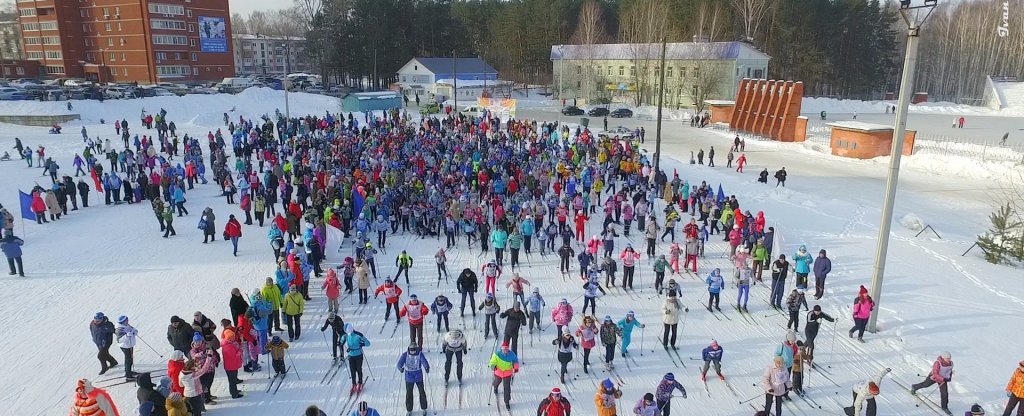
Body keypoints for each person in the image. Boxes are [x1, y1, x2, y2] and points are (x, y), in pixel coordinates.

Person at [397, 342, 430, 413]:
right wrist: (400, 368)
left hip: (418, 376)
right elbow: (399, 363)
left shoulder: (420, 354)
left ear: (416, 349)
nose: (412, 351)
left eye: (414, 350)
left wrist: (426, 367)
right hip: (409, 377)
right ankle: (409, 409)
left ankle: (424, 408)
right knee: (409, 393)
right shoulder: (405, 355)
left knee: (421, 392)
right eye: (411, 350)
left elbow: (424, 361)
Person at [489, 340, 520, 411]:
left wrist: (516, 367)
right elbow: (492, 362)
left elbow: (515, 361)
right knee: (497, 381)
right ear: (501, 349)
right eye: (504, 349)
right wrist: (493, 366)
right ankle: (495, 386)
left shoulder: (512, 354)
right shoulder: (497, 354)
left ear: (508, 349)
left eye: (506, 349)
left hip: (507, 373)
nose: (505, 350)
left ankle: (507, 402)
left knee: (507, 387)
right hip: (498, 372)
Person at [343, 323, 370, 393]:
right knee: (352, 370)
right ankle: (354, 384)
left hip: (358, 355)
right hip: (351, 355)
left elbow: (368, 343)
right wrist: (342, 344)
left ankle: (360, 383)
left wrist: (362, 344)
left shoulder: (358, 335)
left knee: (358, 369)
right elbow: (342, 341)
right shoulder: (346, 335)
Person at [115, 315, 139, 380]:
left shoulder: (127, 325)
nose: (128, 321)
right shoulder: (119, 329)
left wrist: (134, 331)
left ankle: (128, 371)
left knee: (130, 359)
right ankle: (128, 376)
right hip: (125, 346)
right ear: (123, 322)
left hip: (130, 345)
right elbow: (119, 340)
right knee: (128, 360)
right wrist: (127, 336)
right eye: (126, 320)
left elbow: (133, 329)